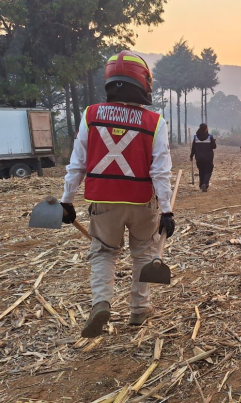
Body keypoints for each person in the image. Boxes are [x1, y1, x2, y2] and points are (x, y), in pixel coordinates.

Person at [60, 51, 175, 338]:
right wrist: (167, 210)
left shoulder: (91, 115)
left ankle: (101, 302)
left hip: (103, 202)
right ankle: (139, 309)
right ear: (144, 83)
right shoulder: (155, 122)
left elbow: (77, 164)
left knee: (103, 253)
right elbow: (160, 171)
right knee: (143, 254)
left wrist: (66, 200)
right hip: (142, 203)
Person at [190, 123, 216, 192]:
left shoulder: (196, 137)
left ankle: (201, 185)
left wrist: (191, 156)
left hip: (199, 158)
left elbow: (193, 148)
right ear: (206, 129)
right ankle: (205, 183)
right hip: (208, 158)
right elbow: (214, 147)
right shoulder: (210, 137)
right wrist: (214, 141)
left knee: (201, 171)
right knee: (208, 171)